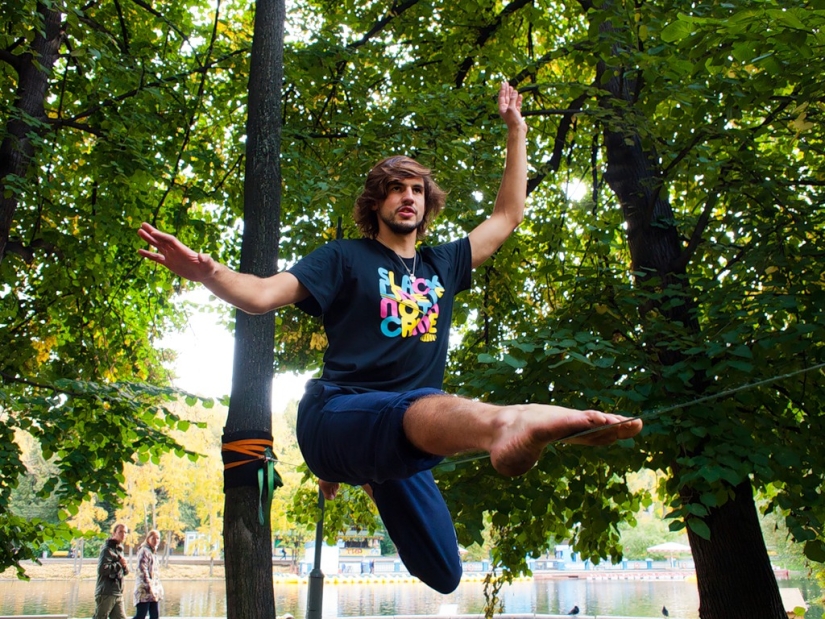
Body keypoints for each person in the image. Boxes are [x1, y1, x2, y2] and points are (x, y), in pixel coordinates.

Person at [137, 82, 643, 594]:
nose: (408, 197)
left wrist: (518, 130)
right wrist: (207, 273)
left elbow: (507, 216)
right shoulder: (341, 258)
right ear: (376, 201)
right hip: (336, 413)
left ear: (427, 204)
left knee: (444, 572)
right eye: (397, 188)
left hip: (408, 431)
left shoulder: (442, 264)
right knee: (423, 405)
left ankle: (378, 470)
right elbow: (261, 295)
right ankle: (506, 421)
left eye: (417, 189)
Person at [94, 523, 130, 619]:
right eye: (120, 532)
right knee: (100, 617)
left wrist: (125, 567)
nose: (123, 534)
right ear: (114, 533)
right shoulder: (107, 550)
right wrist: (119, 564)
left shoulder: (119, 550)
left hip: (117, 592)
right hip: (106, 592)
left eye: (125, 532)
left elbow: (124, 572)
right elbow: (102, 570)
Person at [132, 530, 164, 619]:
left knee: (155, 615)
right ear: (148, 538)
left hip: (154, 590)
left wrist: (157, 588)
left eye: (158, 538)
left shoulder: (153, 552)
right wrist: (150, 587)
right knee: (141, 615)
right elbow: (142, 570)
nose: (156, 540)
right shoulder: (144, 551)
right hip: (144, 590)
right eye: (153, 538)